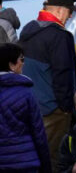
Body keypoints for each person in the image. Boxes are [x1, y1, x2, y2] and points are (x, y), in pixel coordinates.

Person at [19, 0, 76, 165]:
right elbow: (63, 74)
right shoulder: (60, 36)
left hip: (31, 105)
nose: (70, 16)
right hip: (53, 111)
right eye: (69, 11)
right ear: (60, 11)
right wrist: (66, 107)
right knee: (54, 158)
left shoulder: (28, 29)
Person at [0, 42, 51, 172]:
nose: (23, 63)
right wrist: (46, 167)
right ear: (11, 65)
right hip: (25, 163)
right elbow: (39, 133)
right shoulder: (26, 93)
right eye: (21, 59)